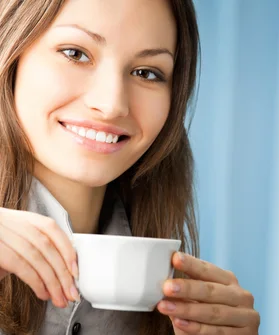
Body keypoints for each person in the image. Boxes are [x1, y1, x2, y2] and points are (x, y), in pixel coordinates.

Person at [0, 0, 260, 334]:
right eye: (75, 53)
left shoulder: (169, 303)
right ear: (11, 51)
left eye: (147, 73)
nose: (111, 105)